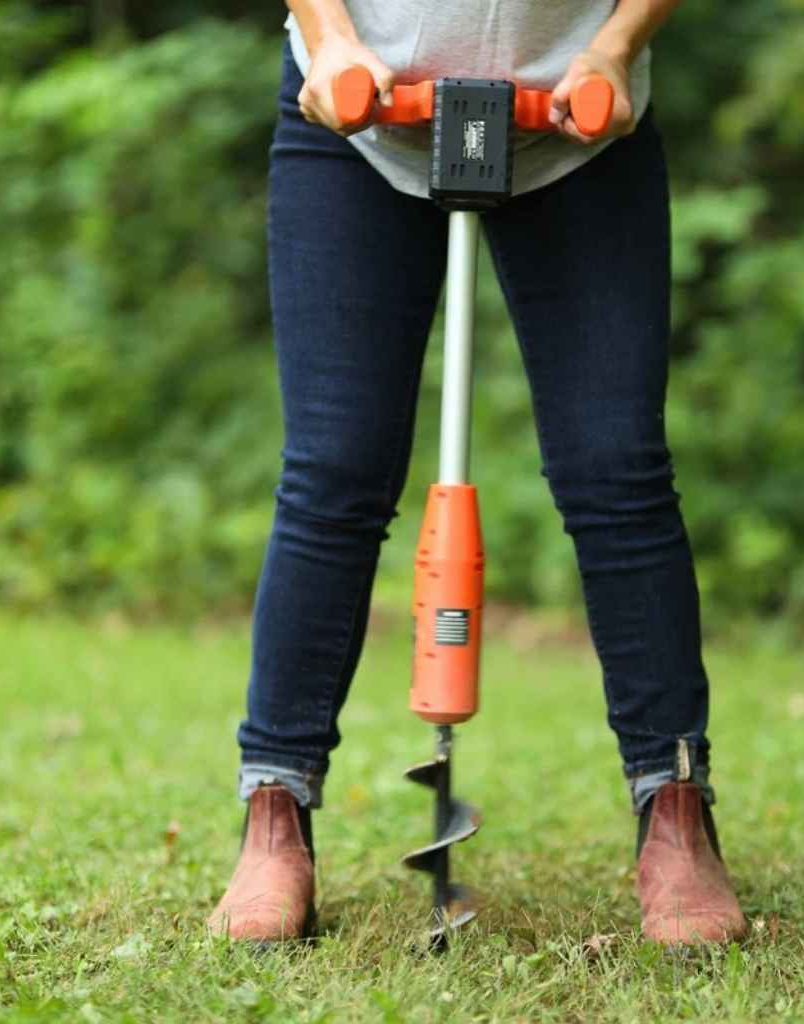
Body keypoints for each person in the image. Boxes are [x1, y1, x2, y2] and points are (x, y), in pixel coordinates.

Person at [208, 0, 747, 947]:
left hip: (578, 120)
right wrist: (331, 40)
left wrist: (618, 47)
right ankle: (274, 814)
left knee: (616, 469)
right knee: (334, 470)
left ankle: (676, 810)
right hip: (359, 117)